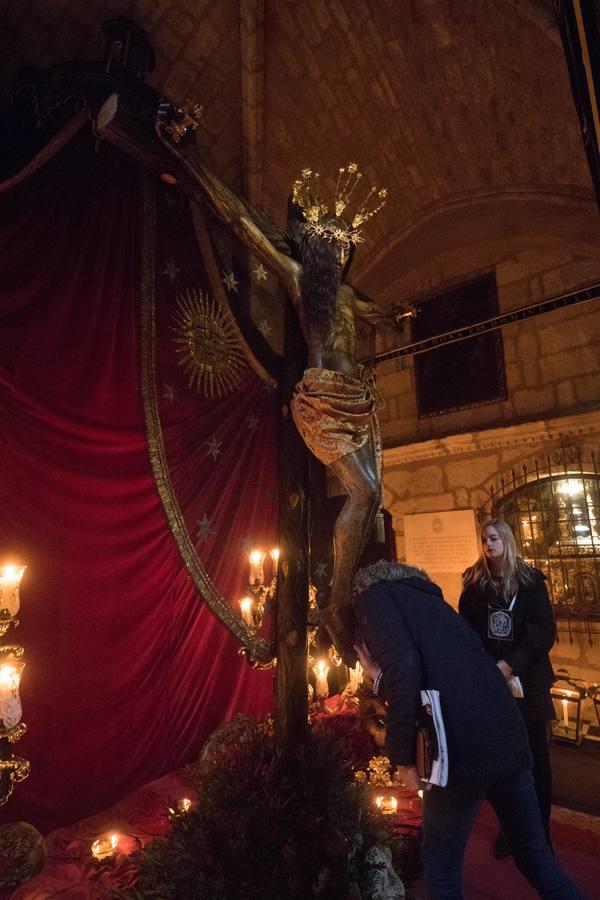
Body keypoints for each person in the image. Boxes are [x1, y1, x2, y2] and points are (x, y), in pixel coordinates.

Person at [155, 107, 409, 663]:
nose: (342, 254)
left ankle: (346, 594)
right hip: (321, 396)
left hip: (355, 399)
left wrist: (397, 318)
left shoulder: (347, 296)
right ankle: (338, 603)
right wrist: (191, 154)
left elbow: (382, 315)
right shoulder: (303, 283)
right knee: (364, 493)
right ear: (320, 249)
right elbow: (240, 220)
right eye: (335, 247)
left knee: (372, 498)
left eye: (348, 248)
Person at [353, 560, 582, 900]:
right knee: (537, 860)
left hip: (460, 748)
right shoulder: (432, 602)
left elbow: (403, 668)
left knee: (441, 869)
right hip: (508, 736)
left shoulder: (373, 597)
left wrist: (402, 759)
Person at [459, 518, 557, 857]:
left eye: (495, 537)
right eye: (484, 539)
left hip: (527, 682)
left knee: (535, 762)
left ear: (508, 541)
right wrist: (486, 667)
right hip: (493, 685)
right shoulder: (475, 584)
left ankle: (540, 836)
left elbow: (544, 632)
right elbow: (467, 632)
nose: (489, 543)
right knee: (504, 762)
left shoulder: (530, 582)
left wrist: (511, 663)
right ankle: (512, 831)